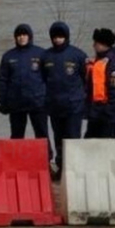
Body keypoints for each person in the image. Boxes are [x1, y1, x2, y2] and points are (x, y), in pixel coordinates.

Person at [41, 21, 88, 180]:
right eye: (55, 37)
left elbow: (85, 79)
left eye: (61, 37)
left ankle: (75, 171)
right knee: (58, 139)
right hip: (54, 107)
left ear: (66, 37)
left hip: (73, 106)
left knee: (73, 138)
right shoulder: (45, 56)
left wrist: (83, 101)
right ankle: (61, 168)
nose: (58, 40)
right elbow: (42, 79)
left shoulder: (78, 55)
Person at [0, 24, 51, 158]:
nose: (21, 38)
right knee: (16, 135)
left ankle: (46, 160)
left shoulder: (41, 54)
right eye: (19, 35)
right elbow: (3, 80)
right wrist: (2, 101)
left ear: (30, 36)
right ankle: (14, 161)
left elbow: (49, 78)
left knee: (42, 134)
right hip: (16, 104)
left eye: (24, 35)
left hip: (37, 102)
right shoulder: (8, 56)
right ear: (15, 38)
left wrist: (49, 99)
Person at [85, 28, 115, 139]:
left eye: (96, 43)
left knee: (107, 146)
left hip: (107, 114)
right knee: (89, 143)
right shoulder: (97, 61)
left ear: (103, 44)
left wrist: (109, 111)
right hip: (95, 112)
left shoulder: (114, 64)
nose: (93, 45)